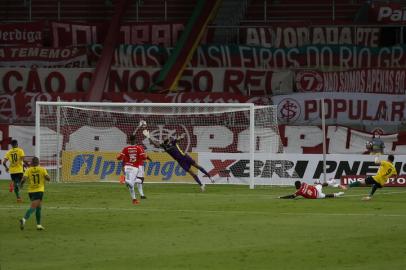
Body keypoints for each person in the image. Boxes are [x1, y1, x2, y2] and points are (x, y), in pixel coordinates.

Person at [146, 131, 214, 192]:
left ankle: (210, 177)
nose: (165, 138)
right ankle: (201, 185)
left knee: (197, 166)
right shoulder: (164, 146)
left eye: (166, 137)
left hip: (185, 157)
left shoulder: (173, 142)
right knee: (192, 173)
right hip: (180, 161)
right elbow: (155, 144)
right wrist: (148, 137)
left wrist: (182, 136)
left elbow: (180, 139)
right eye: (164, 137)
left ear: (168, 139)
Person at [19, 157, 50, 230]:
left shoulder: (28, 170)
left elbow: (24, 179)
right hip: (39, 190)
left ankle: (38, 225)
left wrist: (21, 185)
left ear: (32, 163)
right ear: (38, 162)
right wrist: (47, 178)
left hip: (31, 191)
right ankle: (24, 219)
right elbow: (48, 178)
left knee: (39, 207)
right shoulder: (42, 169)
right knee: (33, 207)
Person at [117, 134, 149, 205]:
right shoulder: (139, 148)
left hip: (127, 167)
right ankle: (124, 180)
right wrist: (146, 156)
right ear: (135, 140)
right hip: (134, 168)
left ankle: (134, 200)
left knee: (130, 185)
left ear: (129, 140)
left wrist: (118, 157)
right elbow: (143, 157)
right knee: (140, 180)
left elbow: (119, 158)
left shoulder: (126, 148)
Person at [279, 180, 345, 199]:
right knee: (321, 185)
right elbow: (308, 187)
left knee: (326, 196)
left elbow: (292, 196)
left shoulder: (299, 192)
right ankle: (332, 182)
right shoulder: (304, 183)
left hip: (316, 195)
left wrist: (281, 197)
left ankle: (338, 194)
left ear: (296, 186)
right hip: (315, 189)